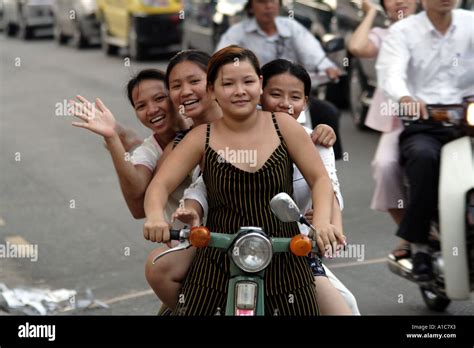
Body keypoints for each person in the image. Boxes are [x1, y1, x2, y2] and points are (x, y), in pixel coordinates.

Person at [143, 46, 345, 315]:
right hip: (216, 259)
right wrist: (155, 217)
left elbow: (320, 178)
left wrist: (321, 223)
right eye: (228, 83)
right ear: (212, 90)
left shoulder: (284, 126)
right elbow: (160, 185)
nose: (240, 91)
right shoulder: (200, 137)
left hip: (285, 257)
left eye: (248, 81)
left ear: (260, 84)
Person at [376, 0, 474, 280]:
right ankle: (419, 245)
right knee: (422, 158)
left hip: (469, 118)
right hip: (425, 122)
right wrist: (405, 97)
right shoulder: (403, 31)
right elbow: (391, 73)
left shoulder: (470, 23)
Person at [216, 0, 345, 159]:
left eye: (273, 1)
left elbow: (313, 53)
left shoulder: (292, 27)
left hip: (287, 90)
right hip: (254, 97)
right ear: (251, 6)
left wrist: (327, 67)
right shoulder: (237, 33)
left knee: (329, 111)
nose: (268, 6)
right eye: (262, 2)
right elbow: (221, 63)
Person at [70, 69, 191, 221]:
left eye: (159, 98)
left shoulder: (201, 125)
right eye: (141, 106)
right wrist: (112, 138)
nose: (152, 110)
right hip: (189, 240)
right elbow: (138, 204)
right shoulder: (148, 151)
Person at [348, 0, 417, 260]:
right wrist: (371, 13)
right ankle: (409, 233)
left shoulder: (437, 29)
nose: (400, 1)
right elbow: (356, 46)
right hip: (400, 123)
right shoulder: (385, 36)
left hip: (448, 118)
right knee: (385, 165)